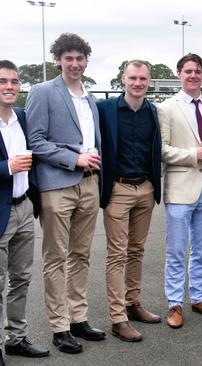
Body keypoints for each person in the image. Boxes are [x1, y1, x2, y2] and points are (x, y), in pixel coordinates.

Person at [26, 33, 105, 354]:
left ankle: (78, 318)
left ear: (86, 60)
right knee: (55, 257)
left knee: (81, 255)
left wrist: (89, 162)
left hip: (89, 183)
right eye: (68, 58)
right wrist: (74, 158)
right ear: (58, 59)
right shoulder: (42, 92)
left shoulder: (90, 98)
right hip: (57, 184)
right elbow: (36, 140)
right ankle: (59, 326)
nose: (74, 64)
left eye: (79, 58)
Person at [97, 60, 162, 341]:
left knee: (137, 250)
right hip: (118, 190)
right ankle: (118, 317)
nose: (138, 83)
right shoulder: (105, 109)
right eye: (133, 78)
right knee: (117, 254)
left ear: (149, 81)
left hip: (145, 189)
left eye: (143, 79)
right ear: (123, 79)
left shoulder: (153, 112)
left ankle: (132, 303)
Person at [158, 53, 202, 329]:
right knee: (176, 250)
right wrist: (193, 154)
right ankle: (174, 303)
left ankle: (198, 297)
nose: (193, 75)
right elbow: (162, 149)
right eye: (188, 71)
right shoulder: (166, 108)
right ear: (179, 74)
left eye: (197, 71)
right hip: (181, 190)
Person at [0, 60, 49, 363]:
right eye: (3, 81)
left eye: (14, 82)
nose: (9, 87)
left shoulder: (22, 117)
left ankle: (16, 339)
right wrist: (7, 167)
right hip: (1, 213)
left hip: (23, 207)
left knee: (22, 278)